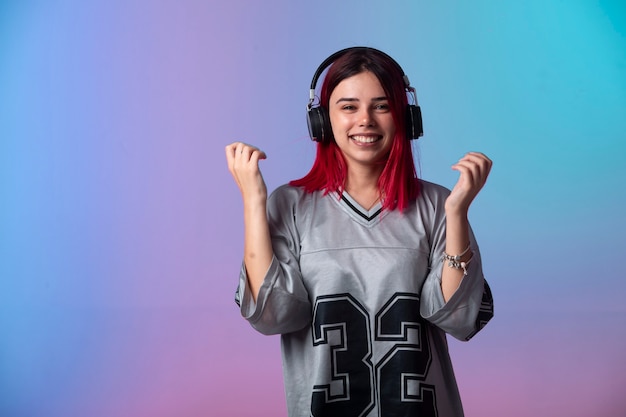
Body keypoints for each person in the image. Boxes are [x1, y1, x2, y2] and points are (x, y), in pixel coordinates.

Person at [225, 46, 494, 417]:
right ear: (322, 120)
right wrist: (254, 201)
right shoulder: (289, 205)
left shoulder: (438, 204)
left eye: (381, 106)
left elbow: (458, 319)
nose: (365, 120)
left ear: (405, 117)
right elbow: (273, 315)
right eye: (348, 107)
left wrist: (457, 212)